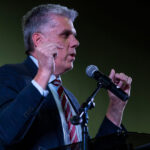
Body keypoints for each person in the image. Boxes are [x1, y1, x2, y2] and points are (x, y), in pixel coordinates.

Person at [0, 3, 132, 150]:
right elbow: (4, 134)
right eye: (65, 35)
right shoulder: (9, 75)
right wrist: (44, 73)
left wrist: (116, 108)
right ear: (39, 41)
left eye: (74, 36)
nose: (76, 43)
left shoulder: (68, 99)